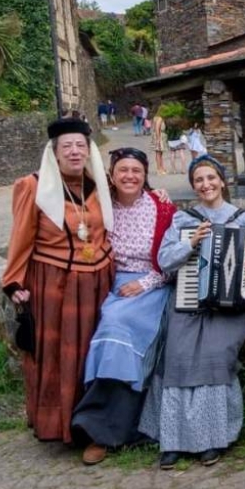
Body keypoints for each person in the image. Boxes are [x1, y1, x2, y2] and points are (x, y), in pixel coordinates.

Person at [139, 155, 245, 469]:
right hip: (188, 302)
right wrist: (190, 244)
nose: (206, 185)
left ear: (222, 181)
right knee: (178, 356)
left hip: (231, 308)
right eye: (199, 180)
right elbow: (165, 260)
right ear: (193, 186)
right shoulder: (185, 221)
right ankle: (172, 440)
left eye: (211, 178)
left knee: (214, 356)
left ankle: (212, 439)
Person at [1, 117, 114, 443]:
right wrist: (14, 282)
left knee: (91, 352)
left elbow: (133, 191)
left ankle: (93, 422)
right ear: (55, 152)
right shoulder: (34, 186)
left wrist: (157, 193)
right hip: (55, 283)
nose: (75, 152)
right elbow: (21, 237)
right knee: (58, 354)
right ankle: (59, 424)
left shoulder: (100, 183)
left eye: (81, 145)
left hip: (99, 282)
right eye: (68, 146)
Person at [70, 148, 176, 465]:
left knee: (115, 326)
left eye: (136, 171)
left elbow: (175, 258)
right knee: (108, 335)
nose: (130, 176)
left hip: (151, 286)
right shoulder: (100, 206)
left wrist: (145, 284)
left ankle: (100, 430)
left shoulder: (162, 207)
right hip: (112, 285)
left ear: (145, 176)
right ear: (112, 176)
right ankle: (100, 429)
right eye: (123, 170)